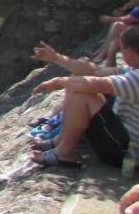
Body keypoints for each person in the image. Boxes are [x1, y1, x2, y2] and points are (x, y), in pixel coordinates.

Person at [27, 28, 139, 168]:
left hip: (125, 154)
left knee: (81, 91)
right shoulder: (133, 71)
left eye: (121, 49)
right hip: (122, 138)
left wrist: (58, 81)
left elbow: (96, 84)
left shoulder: (136, 78)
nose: (120, 52)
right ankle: (60, 141)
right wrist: (55, 57)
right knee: (78, 80)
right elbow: (95, 71)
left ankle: (65, 152)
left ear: (129, 51)